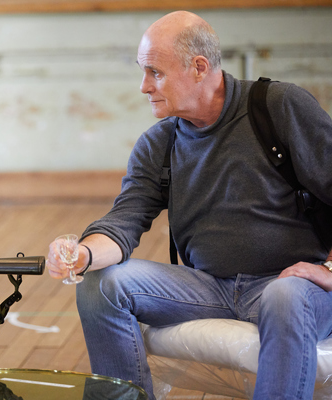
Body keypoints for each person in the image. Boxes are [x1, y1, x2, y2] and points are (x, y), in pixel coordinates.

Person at [47, 11, 332, 400]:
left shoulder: (278, 106)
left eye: (155, 73)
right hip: (209, 287)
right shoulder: (158, 143)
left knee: (285, 295)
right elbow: (125, 219)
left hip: (288, 286)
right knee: (101, 283)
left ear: (199, 68)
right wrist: (81, 253)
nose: (144, 87)